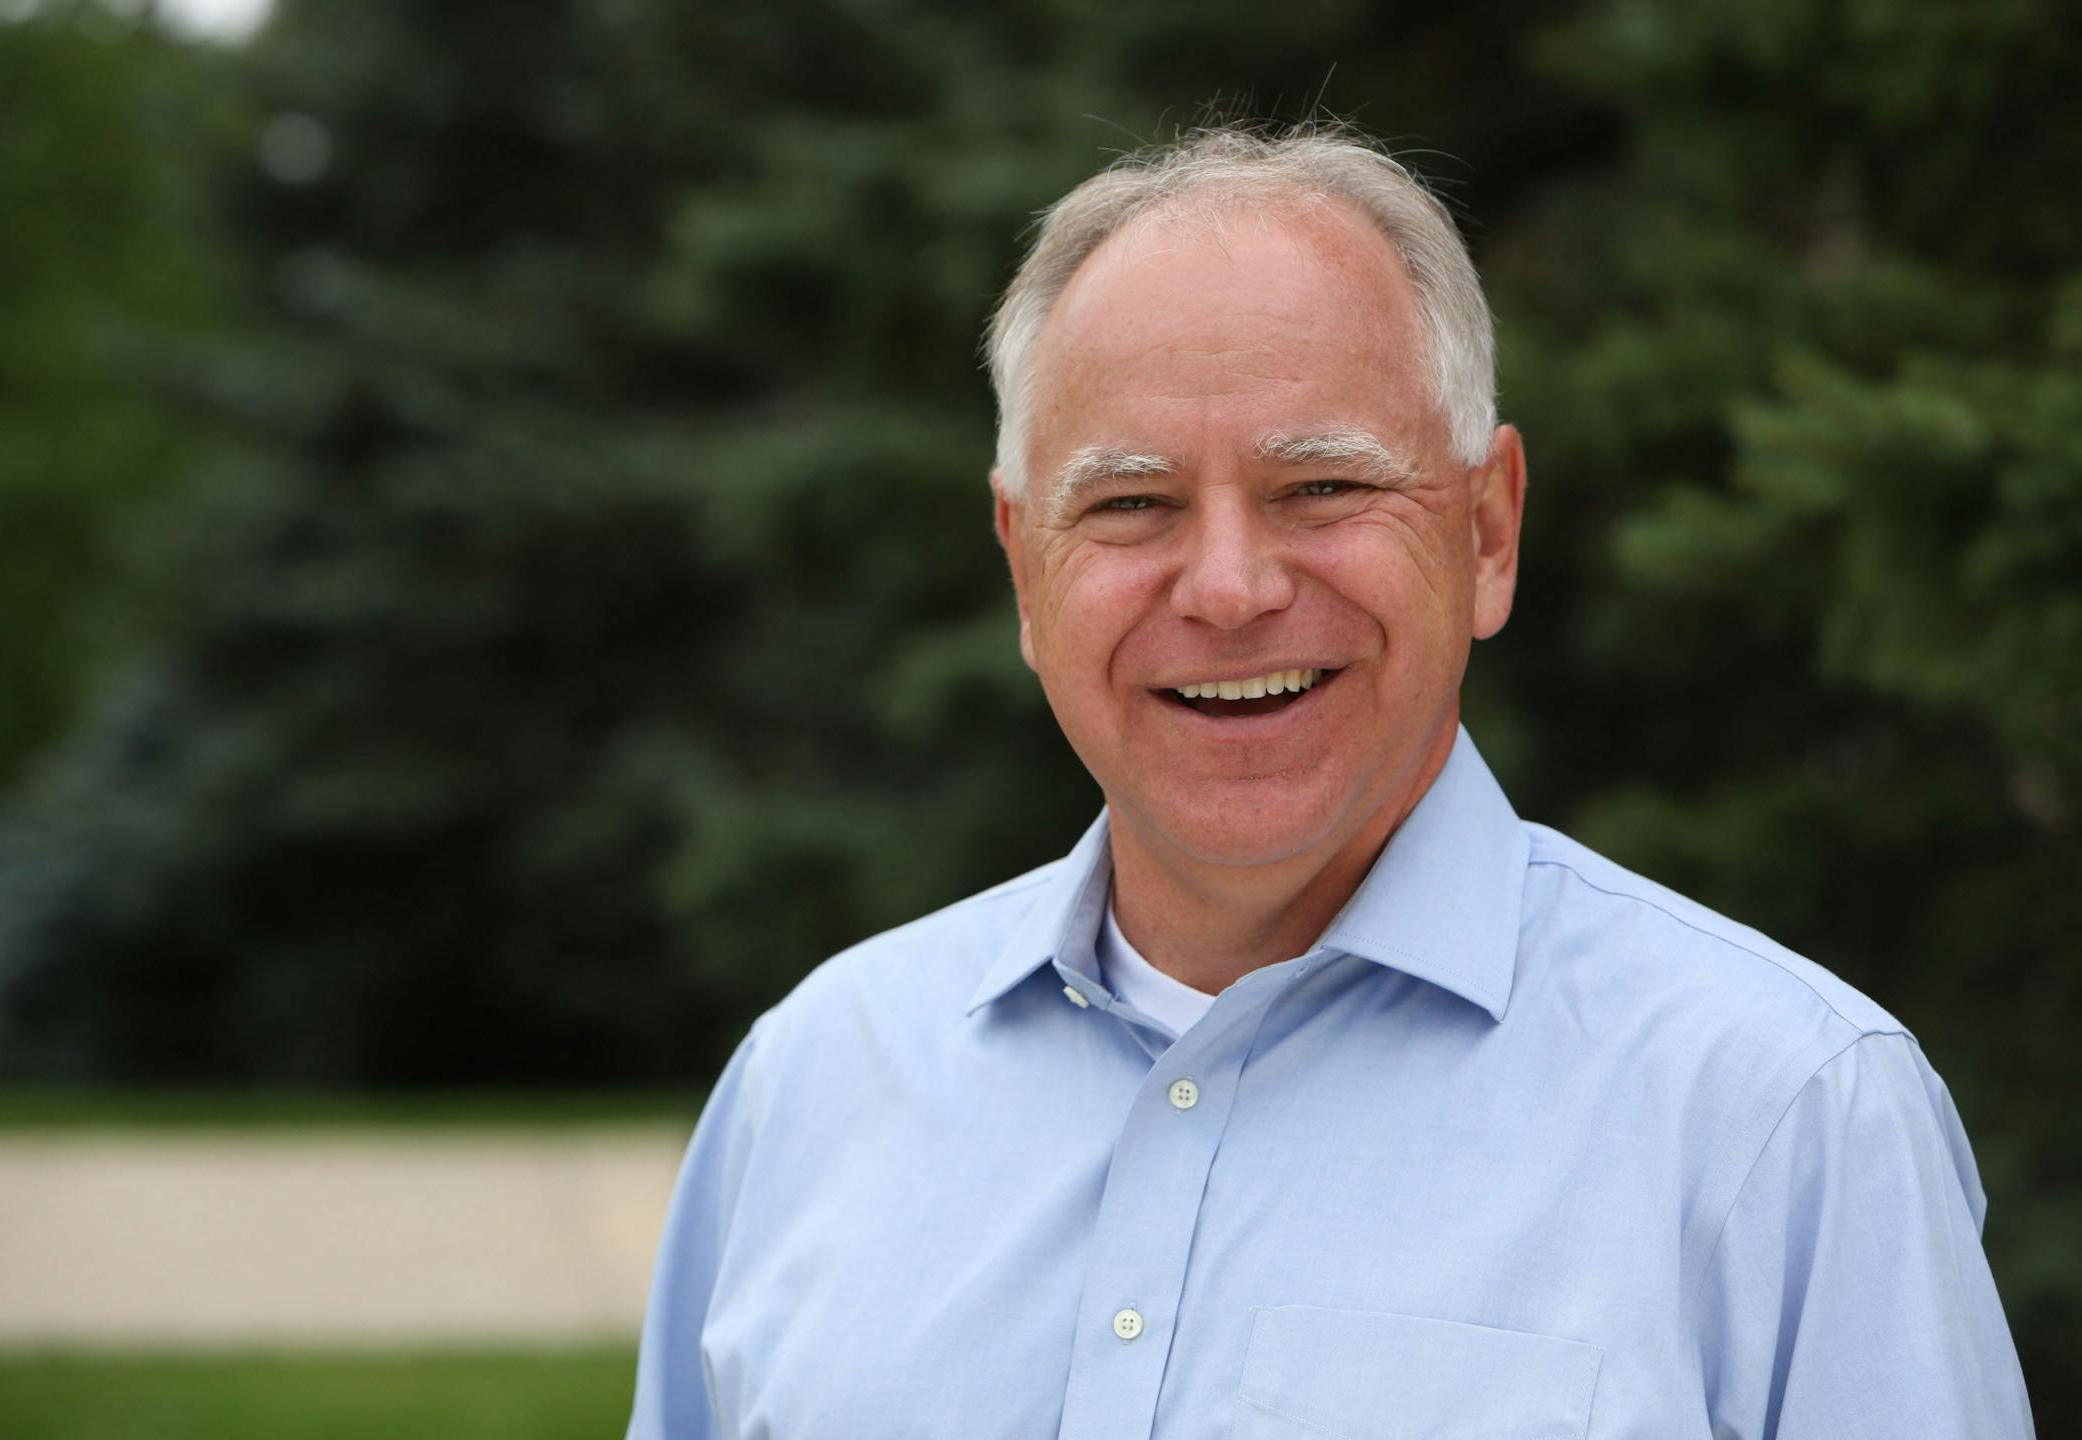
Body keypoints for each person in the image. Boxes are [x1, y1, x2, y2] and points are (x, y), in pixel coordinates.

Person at [624, 125, 2035, 1439]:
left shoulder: (1786, 1115)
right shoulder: (811, 1086)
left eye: (1323, 489)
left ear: (1488, 531)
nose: (1230, 589)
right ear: (1023, 567)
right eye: (1131, 505)